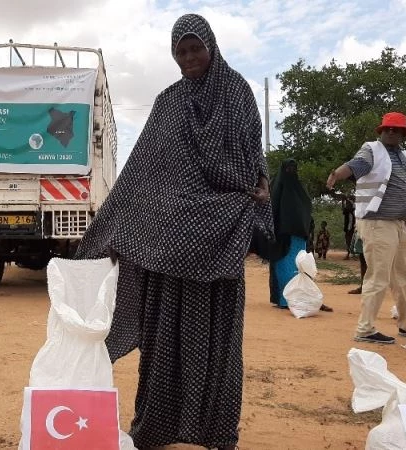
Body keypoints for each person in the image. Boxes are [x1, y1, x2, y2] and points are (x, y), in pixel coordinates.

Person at [73, 14, 271, 449]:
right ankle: (158, 427)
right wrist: (107, 232)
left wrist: (254, 189)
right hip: (169, 249)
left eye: (194, 48)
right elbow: (143, 172)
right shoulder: (168, 102)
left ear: (211, 47)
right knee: (165, 342)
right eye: (180, 51)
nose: (188, 58)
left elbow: (248, 161)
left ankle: (215, 431)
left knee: (215, 345)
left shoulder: (236, 94)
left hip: (217, 245)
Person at [326, 112, 406, 344]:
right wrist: (337, 174)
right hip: (377, 223)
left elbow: (403, 185)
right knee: (378, 276)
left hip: (398, 223)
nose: (391, 132)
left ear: (403, 134)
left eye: (396, 130)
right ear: (381, 130)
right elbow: (354, 166)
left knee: (402, 276)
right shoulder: (372, 150)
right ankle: (365, 329)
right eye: (387, 128)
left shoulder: (404, 157)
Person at [269, 159, 312, 309]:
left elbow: (306, 211)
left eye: (294, 168)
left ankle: (297, 297)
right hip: (281, 234)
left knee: (297, 266)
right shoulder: (275, 186)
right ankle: (283, 299)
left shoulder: (299, 189)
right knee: (282, 266)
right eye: (288, 168)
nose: (291, 171)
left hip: (297, 235)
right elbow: (271, 208)